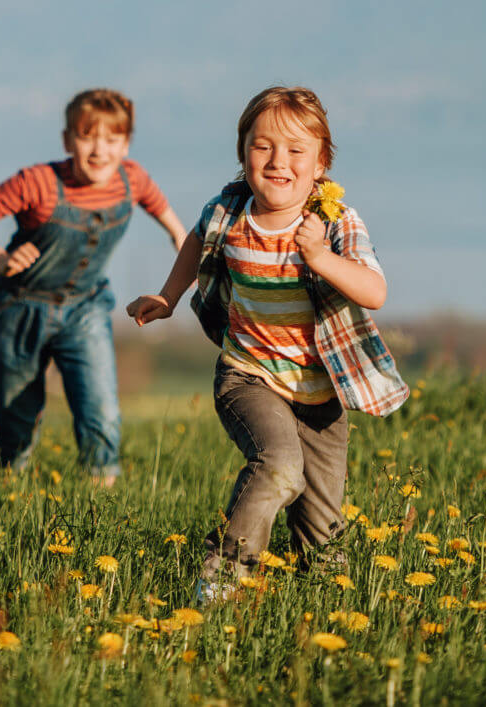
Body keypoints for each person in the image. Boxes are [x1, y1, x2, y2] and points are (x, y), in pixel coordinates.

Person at [126, 85, 407, 599]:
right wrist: (168, 296)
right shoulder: (229, 212)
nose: (279, 161)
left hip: (321, 396)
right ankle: (223, 578)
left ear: (321, 164)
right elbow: (196, 239)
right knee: (278, 467)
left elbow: (376, 291)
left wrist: (322, 258)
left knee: (323, 544)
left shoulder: (335, 222)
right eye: (263, 146)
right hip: (247, 376)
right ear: (243, 153)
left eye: (297, 150)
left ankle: (320, 609)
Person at [0, 88, 188, 484]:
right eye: (87, 137)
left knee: (102, 412)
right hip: (18, 310)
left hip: (86, 308)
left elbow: (177, 229)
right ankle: (4, 492)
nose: (100, 150)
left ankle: (101, 496)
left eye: (112, 140)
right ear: (67, 141)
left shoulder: (134, 180)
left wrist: (183, 242)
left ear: (126, 144)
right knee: (19, 417)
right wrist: (1, 260)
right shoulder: (38, 183)